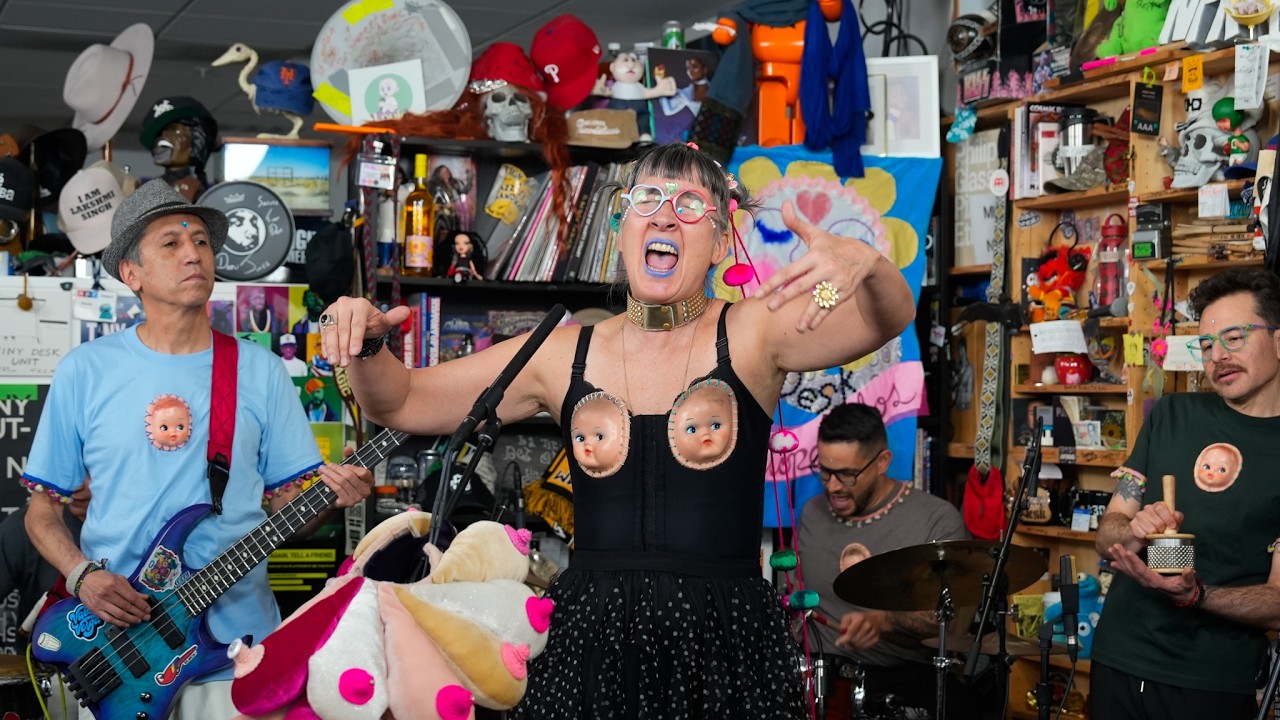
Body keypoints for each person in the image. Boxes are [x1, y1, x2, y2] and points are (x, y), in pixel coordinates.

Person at [319, 141, 914, 718]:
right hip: (591, 638)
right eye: (647, 199)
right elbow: (402, 400)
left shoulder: (755, 331)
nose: (665, 216)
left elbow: (885, 319)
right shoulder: (560, 351)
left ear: (719, 245)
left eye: (689, 206)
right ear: (621, 228)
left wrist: (868, 264)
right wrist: (365, 342)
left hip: (724, 639)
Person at [20, 179, 374, 720]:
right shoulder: (84, 372)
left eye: (202, 242)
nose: (194, 252)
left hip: (238, 652)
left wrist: (328, 498)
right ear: (130, 274)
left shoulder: (258, 370)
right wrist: (81, 576)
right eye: (171, 242)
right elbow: (41, 509)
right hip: (113, 649)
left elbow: (288, 512)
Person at [1090, 267, 1280, 720]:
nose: (1218, 357)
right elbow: (1108, 532)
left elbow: (1278, 602)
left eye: (1234, 338)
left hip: (1209, 679)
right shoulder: (1171, 414)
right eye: (1207, 345)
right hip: (1117, 657)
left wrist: (1195, 595)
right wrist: (1132, 532)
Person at [795, 402, 983, 718]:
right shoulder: (811, 513)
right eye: (825, 472)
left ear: (882, 462)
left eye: (848, 475)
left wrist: (884, 622)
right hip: (818, 683)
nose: (834, 487)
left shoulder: (935, 520)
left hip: (898, 685)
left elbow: (947, 623)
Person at [0, 480, 90, 629]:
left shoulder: (137, 529)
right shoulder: (20, 528)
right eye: (71, 470)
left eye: (89, 471)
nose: (77, 485)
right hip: (37, 649)